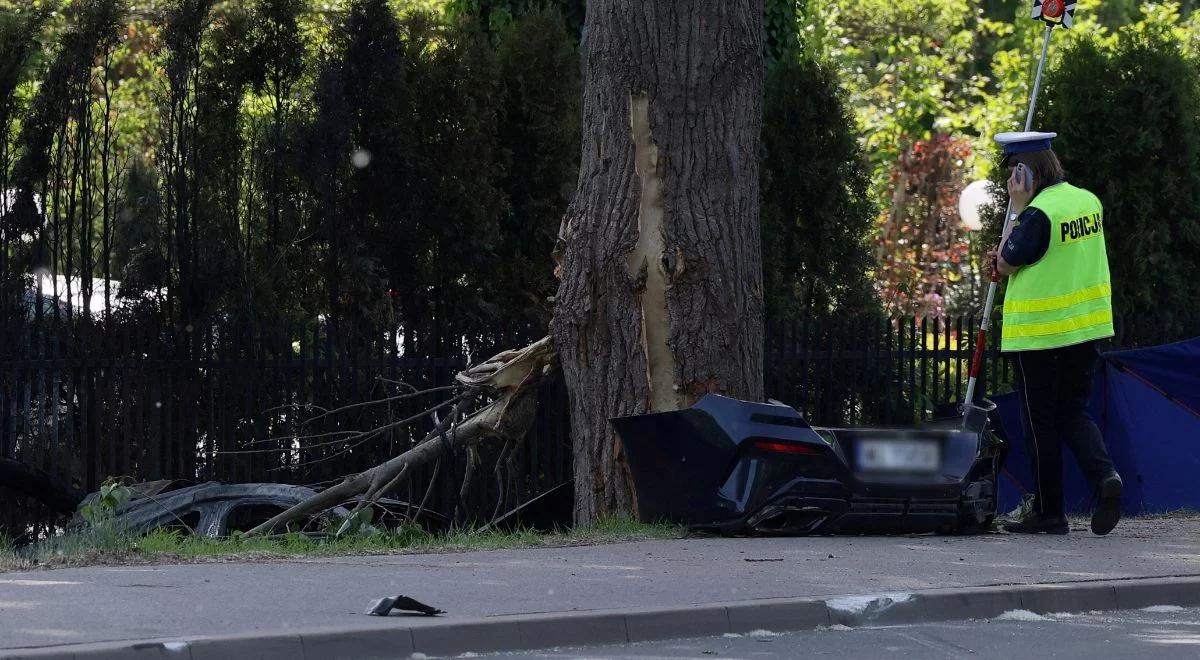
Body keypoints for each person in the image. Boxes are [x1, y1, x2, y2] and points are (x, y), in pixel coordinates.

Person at [990, 131, 1123, 536]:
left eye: (1012, 175)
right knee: (1072, 413)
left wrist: (1014, 207)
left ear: (1022, 172)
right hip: (1085, 329)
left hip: (1041, 336)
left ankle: (1049, 513)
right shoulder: (1087, 201)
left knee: (1040, 423)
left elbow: (1005, 263)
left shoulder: (1037, 213)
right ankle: (1104, 477)